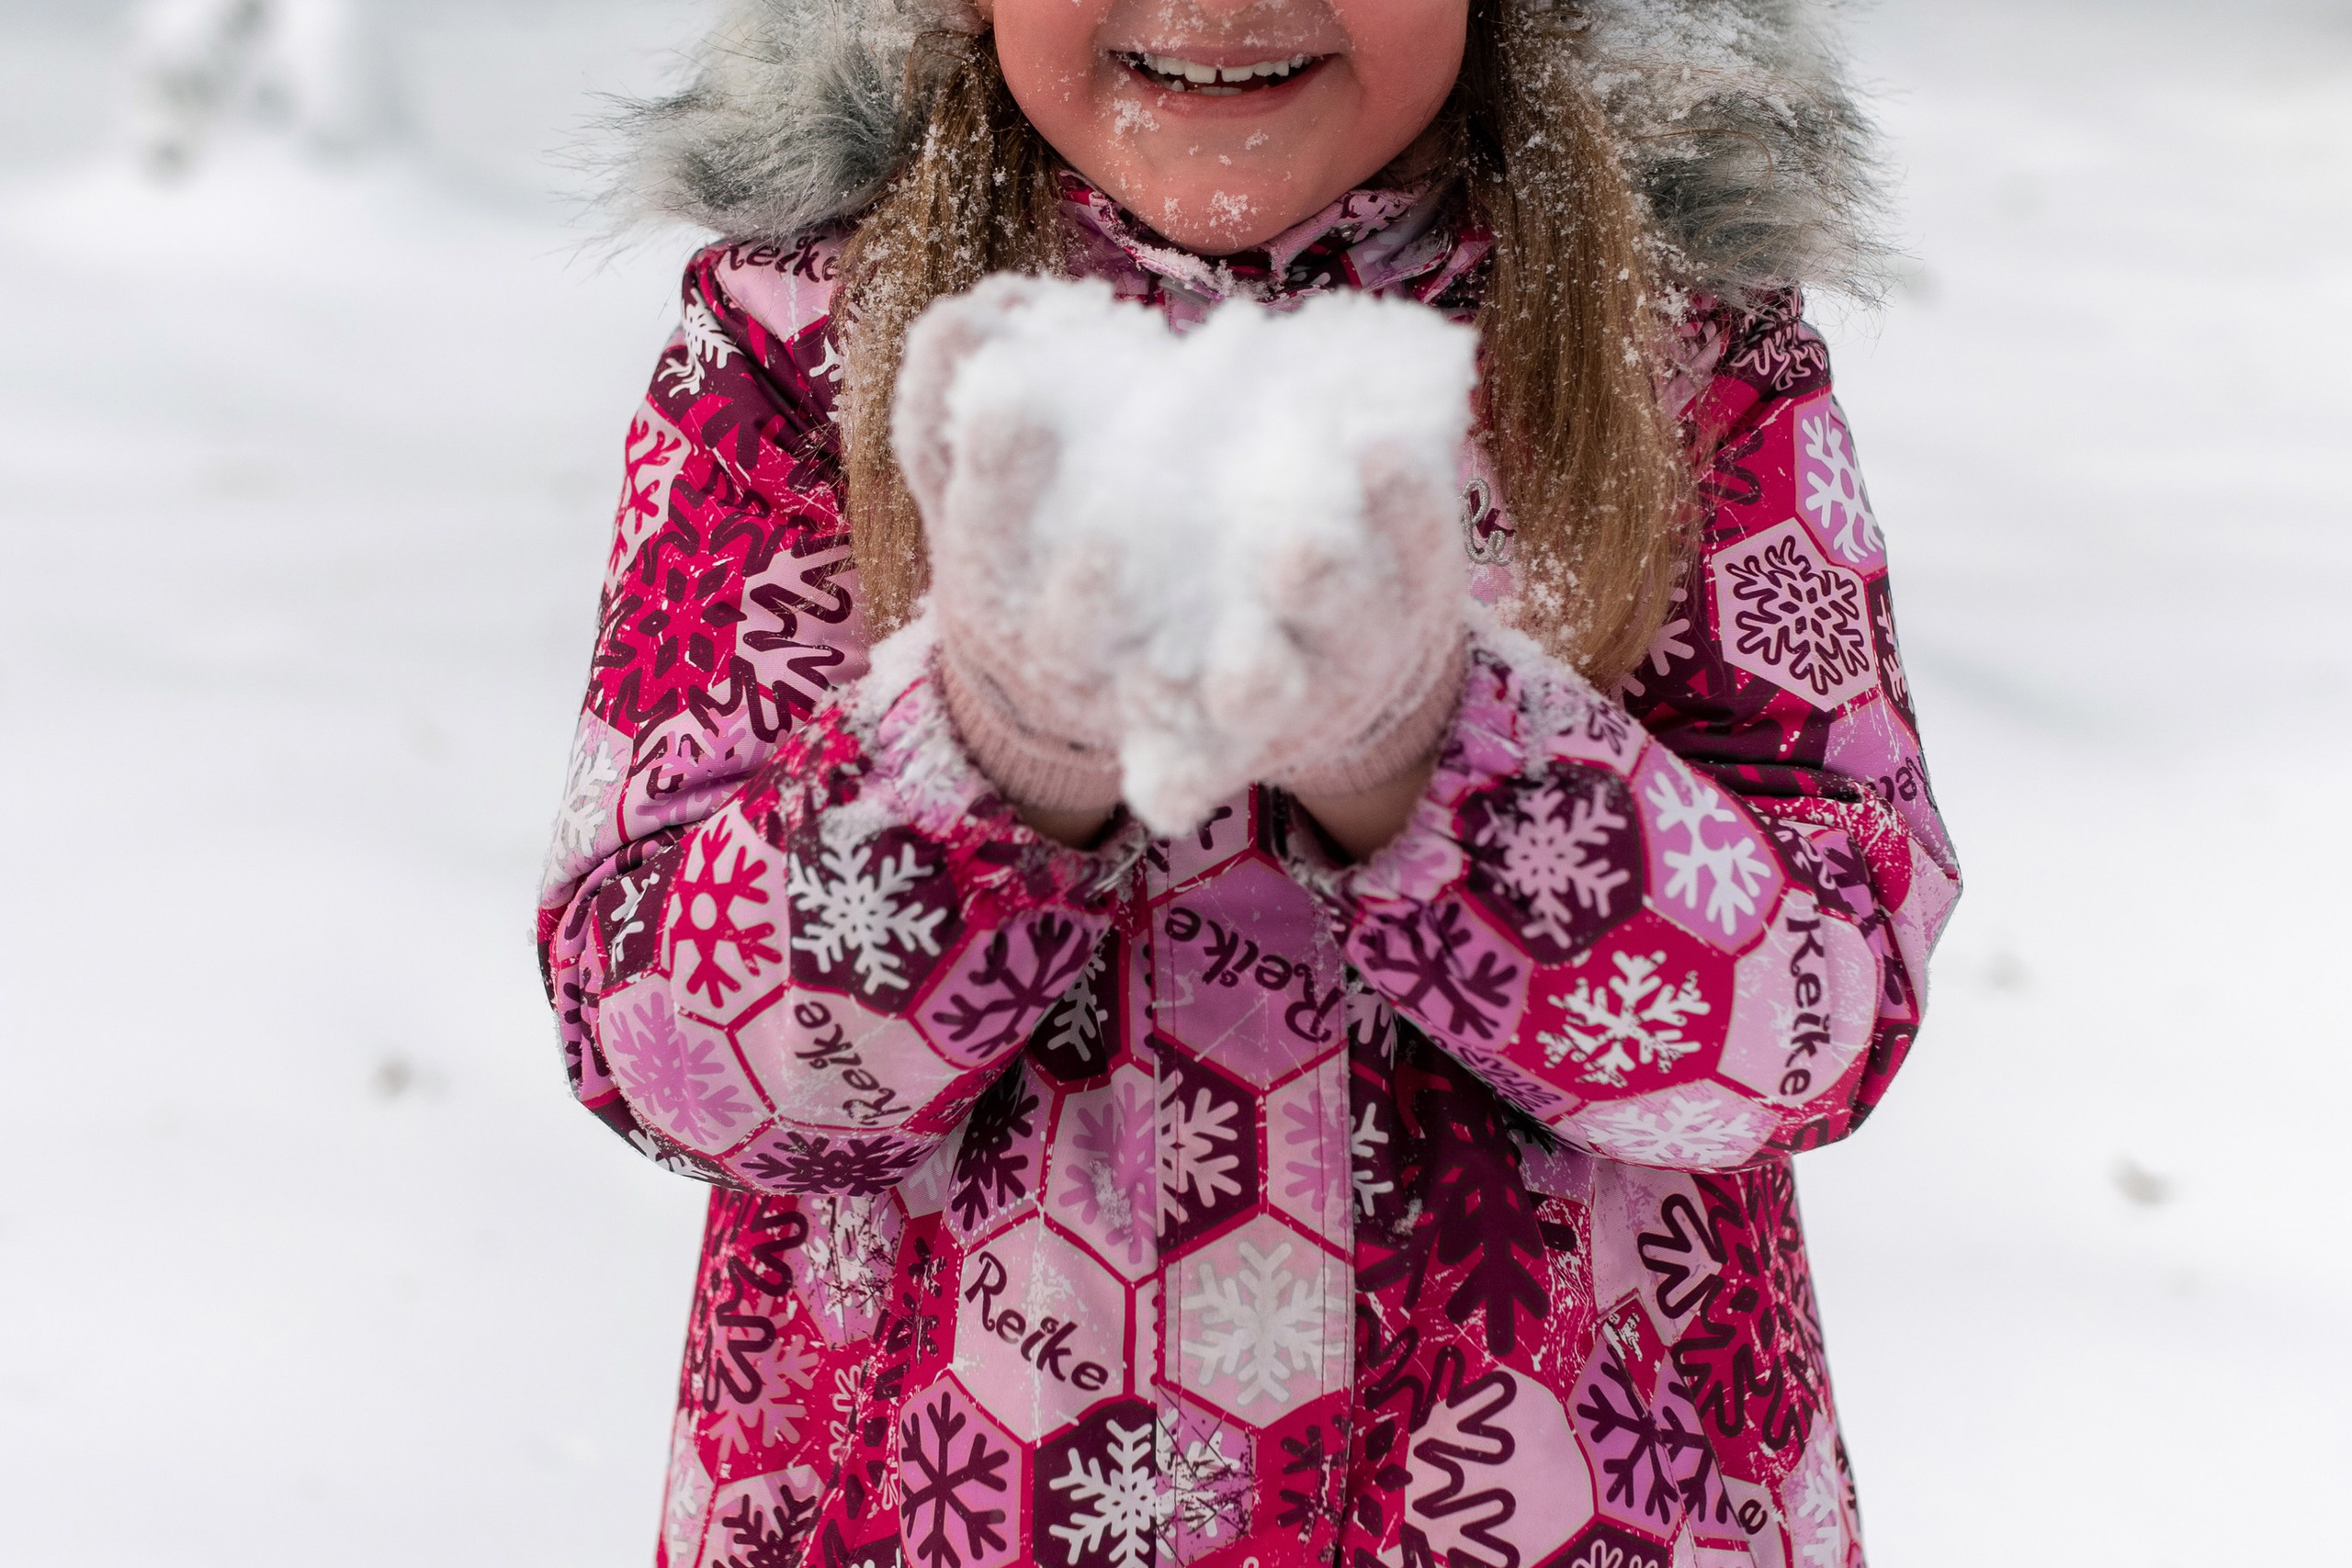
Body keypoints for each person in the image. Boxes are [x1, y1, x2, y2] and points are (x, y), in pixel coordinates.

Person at [536, 0, 1959, 1563]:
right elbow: (661, 1041)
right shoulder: (805, 339)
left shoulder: (1675, 338)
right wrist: (987, 751)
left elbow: (1824, 1012)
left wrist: (1442, 758)